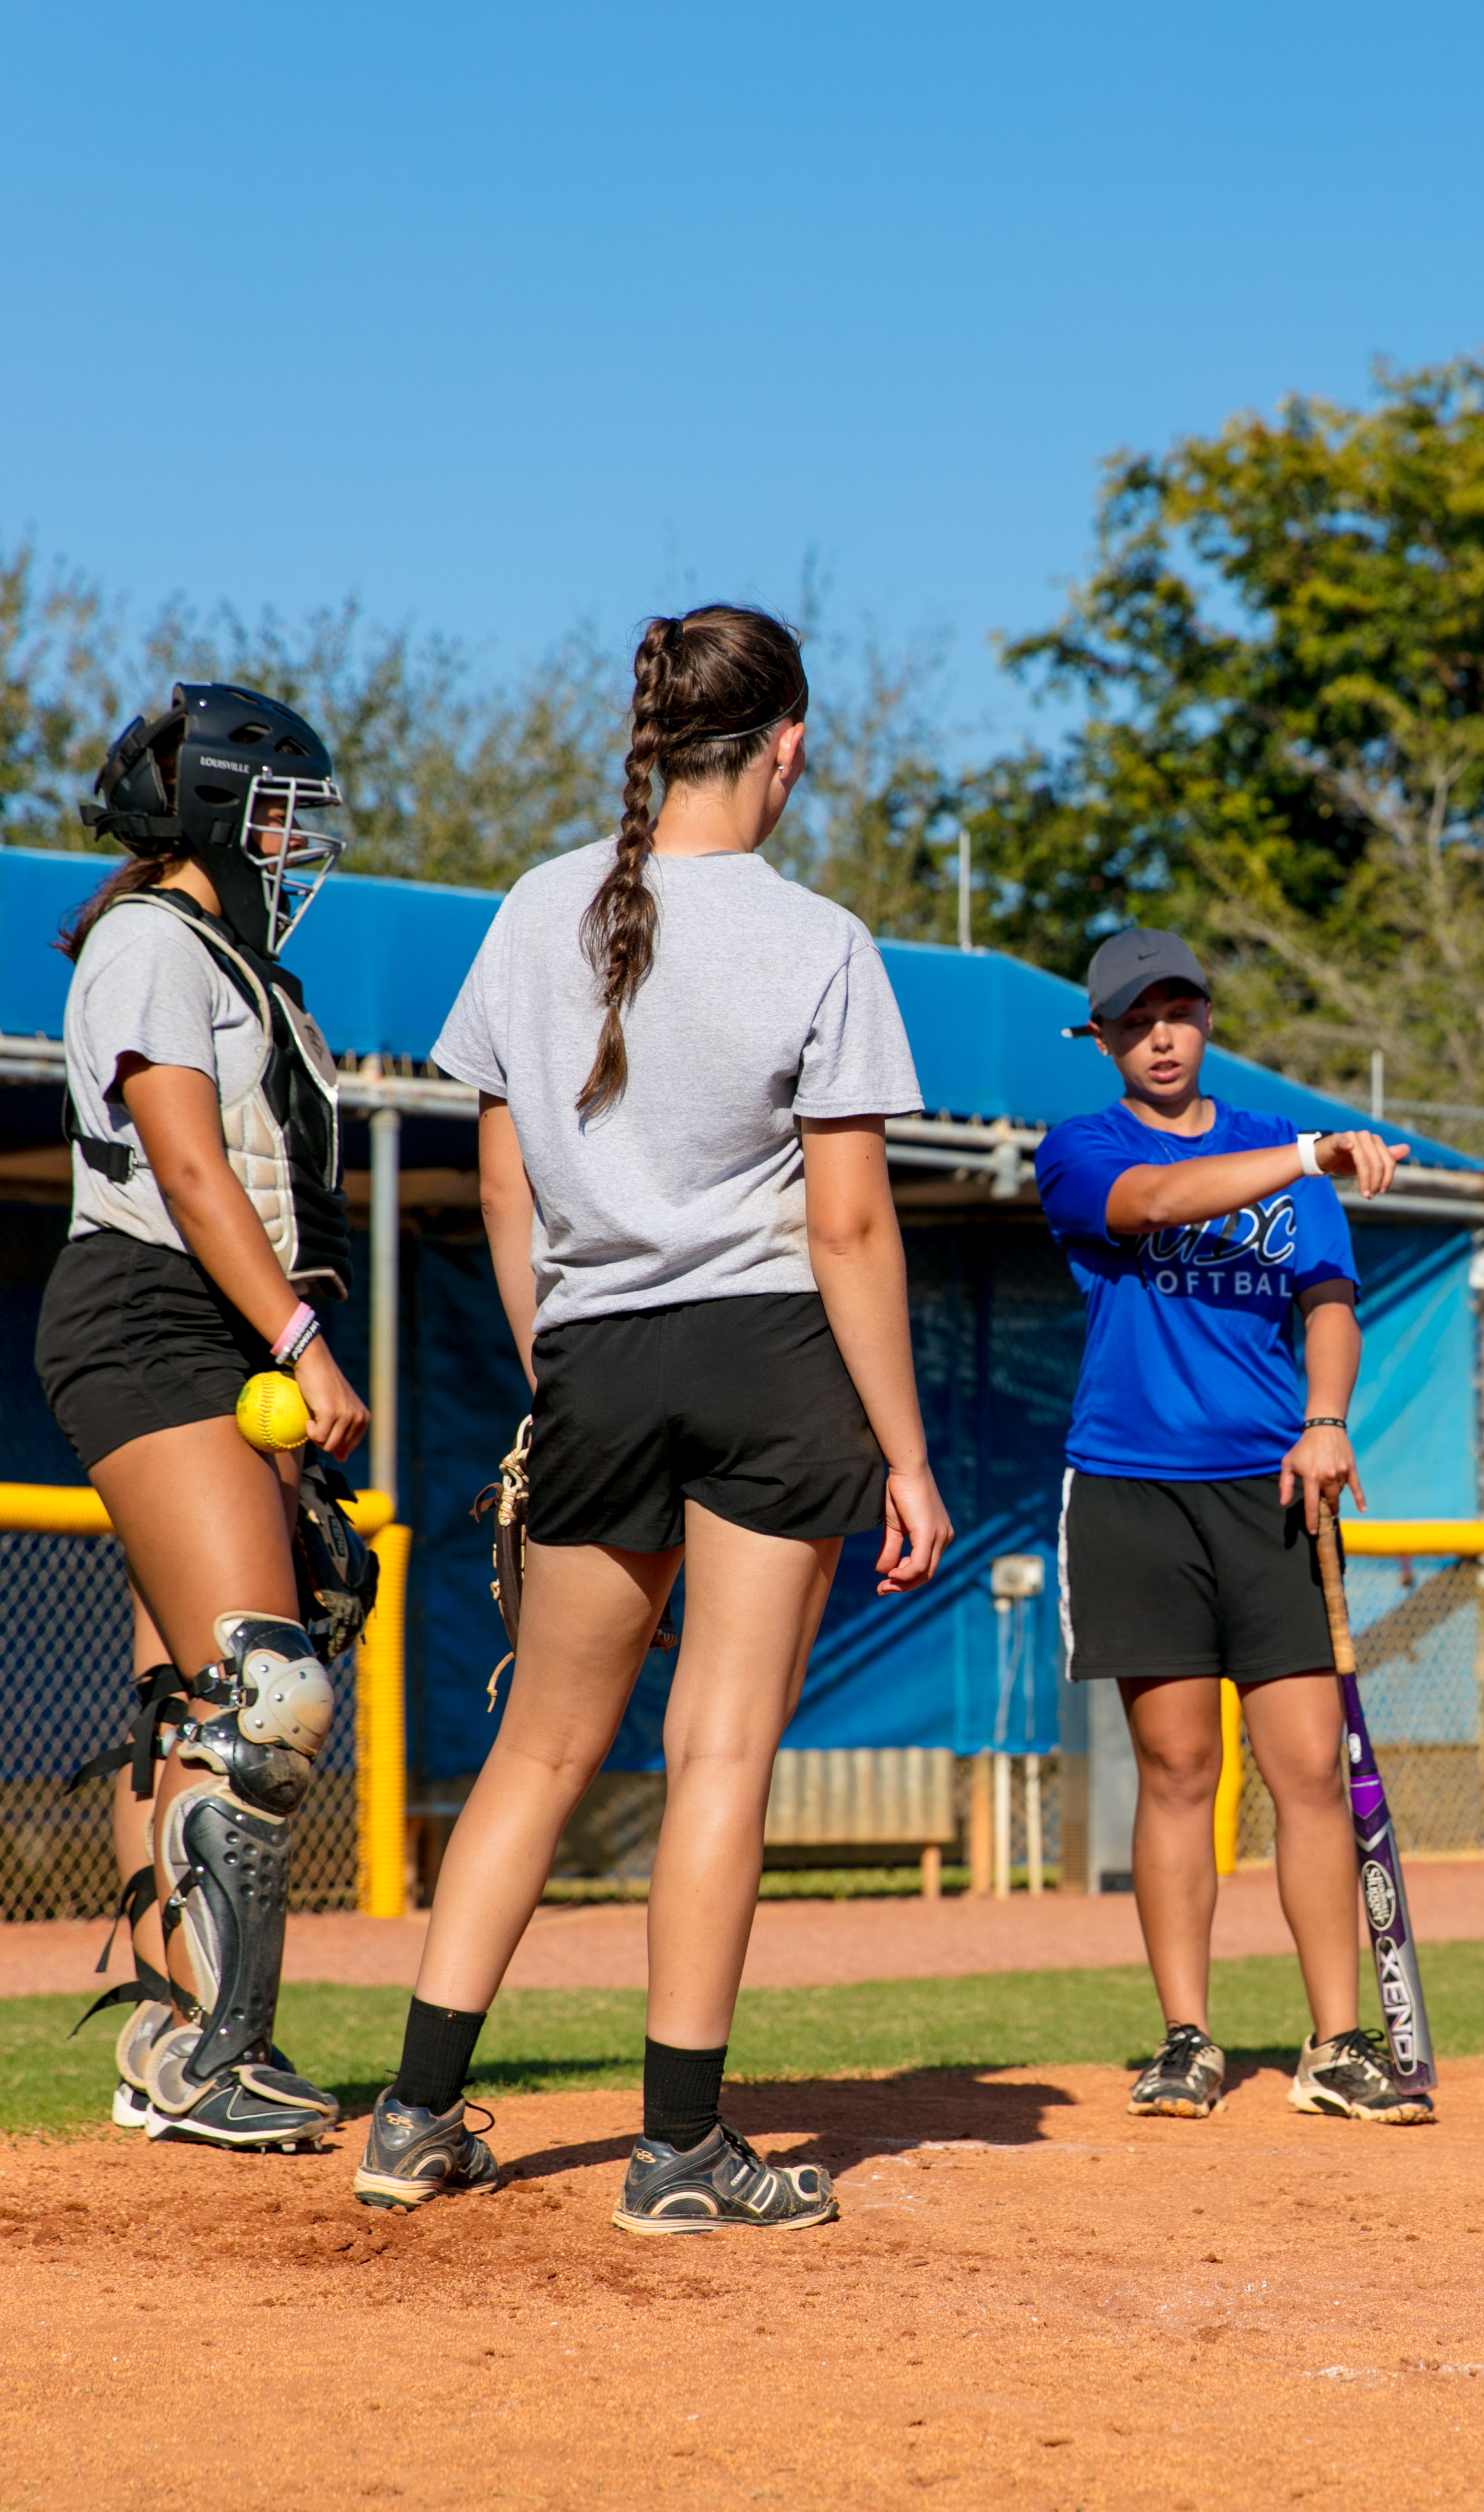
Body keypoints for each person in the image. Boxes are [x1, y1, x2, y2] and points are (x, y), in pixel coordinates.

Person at [354, 604, 952, 2231]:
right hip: (770, 1357)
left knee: (539, 1751)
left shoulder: (539, 906)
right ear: (788, 747)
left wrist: (563, 1363)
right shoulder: (818, 938)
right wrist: (904, 1453)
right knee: (720, 1752)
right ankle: (678, 2150)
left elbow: (499, 1177)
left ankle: (413, 2116)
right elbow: (846, 1230)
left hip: (599, 1353)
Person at [34, 683, 369, 2150]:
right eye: (284, 811)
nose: (301, 846)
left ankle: (179, 2043)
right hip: (153, 1309)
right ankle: (219, 2050)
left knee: (190, 1701)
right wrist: (301, 1341)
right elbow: (185, 1165)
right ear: (222, 805)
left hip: (209, 1326)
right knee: (266, 1696)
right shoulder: (150, 942)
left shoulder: (235, 963)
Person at [1033, 930, 1431, 2126]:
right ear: (1103, 1039)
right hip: (1131, 1487)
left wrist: (1326, 1419)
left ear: (1207, 1022)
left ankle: (1335, 2040)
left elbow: (1328, 1301)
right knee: (1177, 1770)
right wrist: (1303, 1152)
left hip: (1274, 1488)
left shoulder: (1281, 1154)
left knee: (1308, 1770)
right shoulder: (1082, 1148)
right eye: (1136, 1019)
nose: (1162, 1035)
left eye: (1181, 1012)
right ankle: (1187, 2036)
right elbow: (1151, 1202)